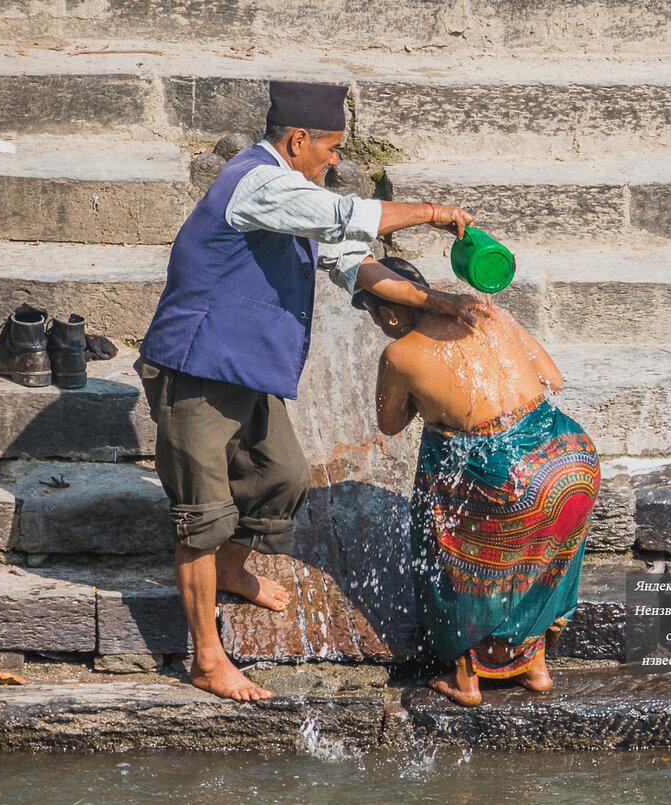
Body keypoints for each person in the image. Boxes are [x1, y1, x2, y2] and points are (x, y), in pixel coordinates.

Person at [137, 81, 491, 702]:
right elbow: (349, 217)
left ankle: (231, 570)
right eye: (329, 148)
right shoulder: (257, 182)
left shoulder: (299, 194)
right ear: (298, 139)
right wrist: (436, 212)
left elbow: (355, 261)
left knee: (285, 478)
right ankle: (207, 659)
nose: (335, 161)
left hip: (244, 369)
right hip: (196, 367)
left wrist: (441, 301)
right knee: (202, 517)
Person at [353, 257, 600, 706]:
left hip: (511, 478)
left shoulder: (399, 353)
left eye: (374, 317)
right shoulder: (488, 312)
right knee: (538, 557)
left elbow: (389, 425)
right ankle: (535, 665)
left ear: (388, 313)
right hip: (570, 461)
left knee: (443, 524)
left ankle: (466, 676)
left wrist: (430, 405)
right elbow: (553, 378)